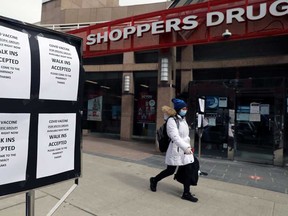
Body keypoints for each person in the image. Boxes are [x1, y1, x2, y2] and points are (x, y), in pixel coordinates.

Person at [150, 98, 198, 202]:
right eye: (183, 108)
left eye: (186, 108)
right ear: (179, 109)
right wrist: (185, 147)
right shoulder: (172, 121)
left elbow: (185, 136)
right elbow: (175, 137)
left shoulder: (183, 119)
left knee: (188, 170)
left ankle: (186, 193)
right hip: (176, 149)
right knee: (170, 170)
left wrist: (188, 147)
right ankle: (154, 180)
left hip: (185, 149)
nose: (185, 109)